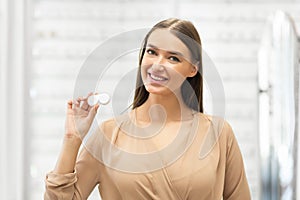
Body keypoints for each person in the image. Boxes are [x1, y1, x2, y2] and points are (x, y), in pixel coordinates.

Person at [44, 18, 251, 200]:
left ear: (192, 69)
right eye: (152, 52)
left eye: (173, 58)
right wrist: (72, 140)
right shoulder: (109, 135)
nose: (158, 64)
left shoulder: (218, 133)